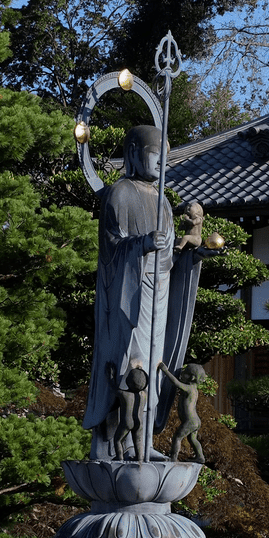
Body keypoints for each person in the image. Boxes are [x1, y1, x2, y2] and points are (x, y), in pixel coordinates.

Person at [82, 125, 203, 460]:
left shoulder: (163, 200)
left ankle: (144, 443)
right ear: (134, 153)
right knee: (129, 366)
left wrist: (189, 255)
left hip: (158, 291)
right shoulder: (120, 193)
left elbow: (168, 257)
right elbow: (111, 247)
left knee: (154, 361)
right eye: (155, 156)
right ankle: (110, 445)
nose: (162, 164)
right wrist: (143, 243)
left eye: (166, 158)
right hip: (129, 293)